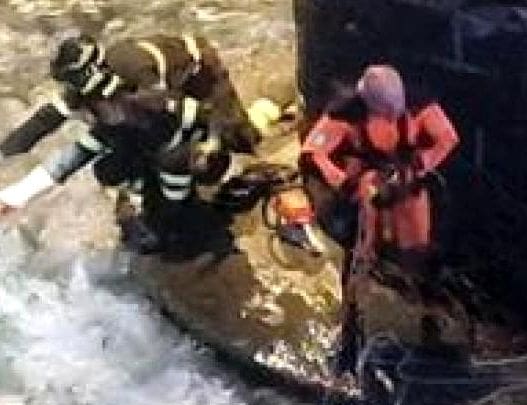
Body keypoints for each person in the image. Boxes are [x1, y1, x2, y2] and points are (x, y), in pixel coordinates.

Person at [284, 64, 460, 371]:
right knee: (359, 261)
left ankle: (430, 327)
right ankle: (350, 337)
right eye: (385, 110)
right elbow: (315, 152)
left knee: (419, 253)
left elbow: (447, 138)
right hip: (367, 191)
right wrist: (347, 182)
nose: (393, 114)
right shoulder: (346, 113)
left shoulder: (419, 105)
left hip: (407, 186)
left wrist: (419, 166)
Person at [0, 32, 276, 162]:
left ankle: (272, 105)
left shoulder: (134, 70)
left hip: (198, 72)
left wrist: (210, 137)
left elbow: (169, 110)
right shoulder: (85, 91)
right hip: (160, 92)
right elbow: (42, 122)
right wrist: (4, 151)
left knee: (241, 138)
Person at [0, 86, 218, 249]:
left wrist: (210, 146)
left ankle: (179, 216)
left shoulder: (156, 104)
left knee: (177, 205)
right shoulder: (109, 130)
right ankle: (150, 213)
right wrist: (16, 196)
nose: (93, 118)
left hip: (191, 159)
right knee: (107, 170)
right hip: (157, 166)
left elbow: (210, 119)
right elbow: (68, 161)